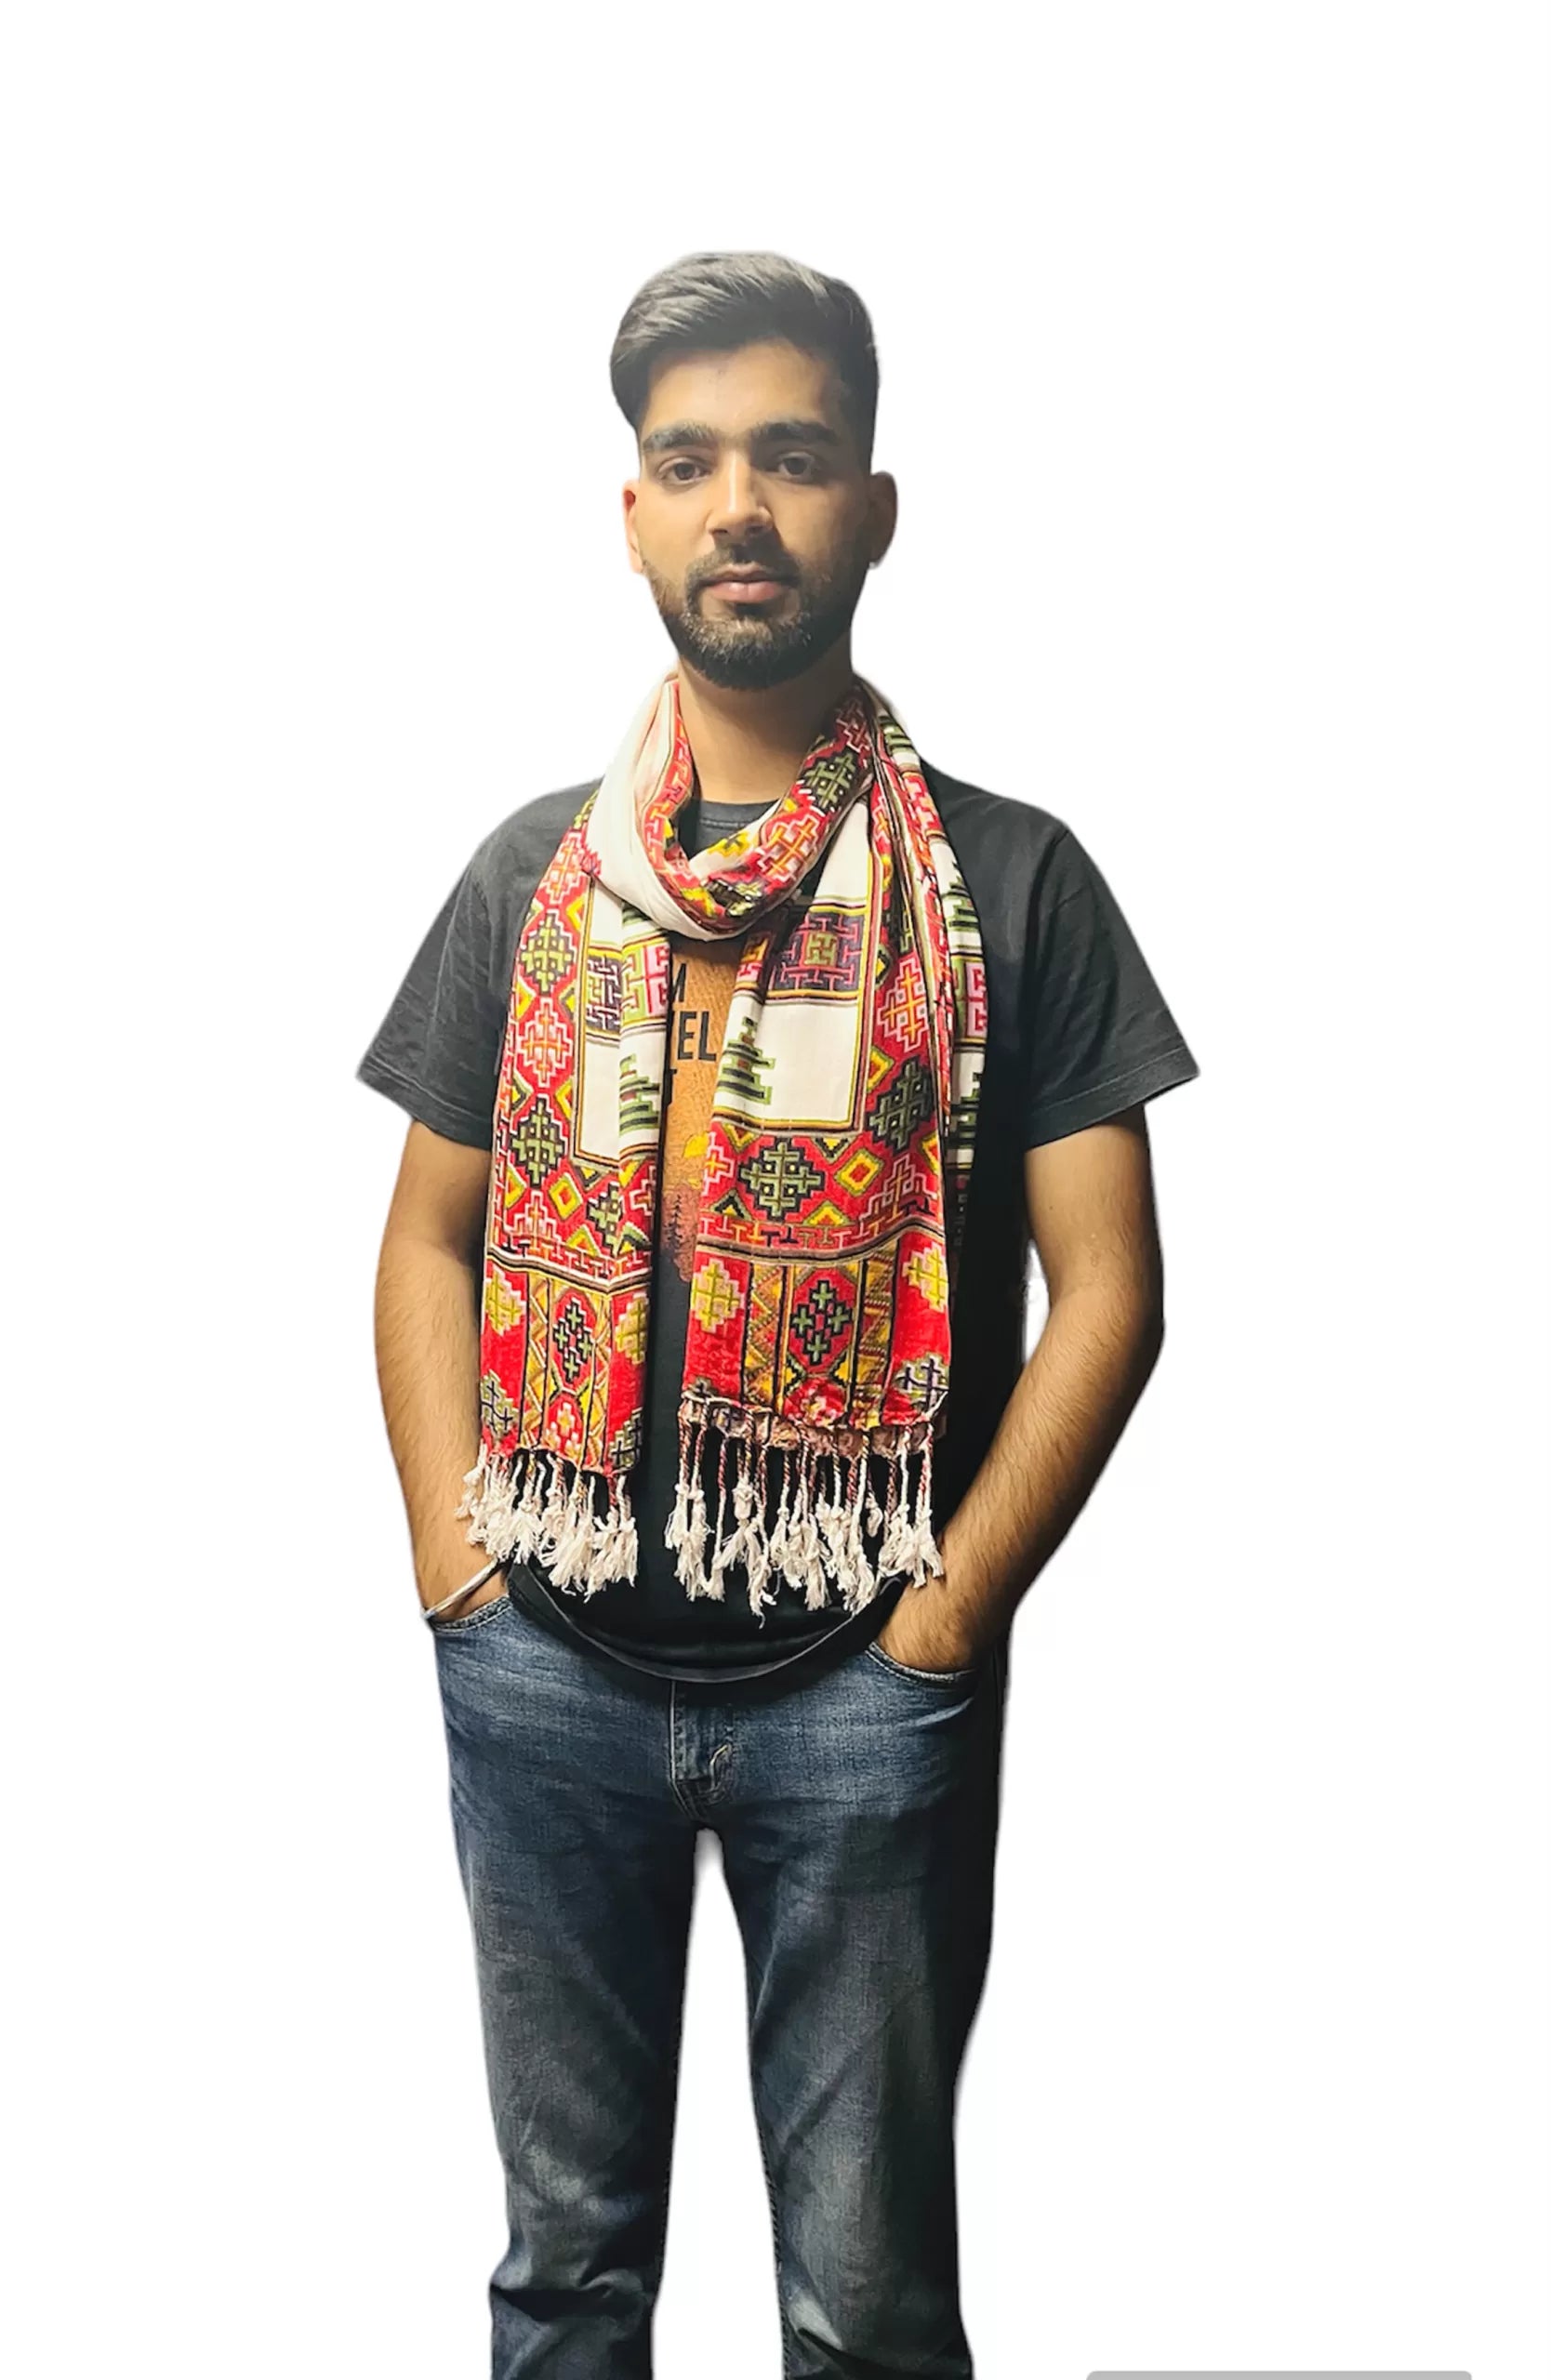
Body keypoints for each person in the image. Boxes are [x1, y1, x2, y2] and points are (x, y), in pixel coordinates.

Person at [356, 249, 1200, 2379]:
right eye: (691, 460)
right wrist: (457, 1563)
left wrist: (950, 1607)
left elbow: (1113, 1286)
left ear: (873, 508)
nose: (741, 504)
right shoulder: (531, 879)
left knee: (865, 2300)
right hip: (542, 1666)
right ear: (633, 512)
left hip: (866, 1686)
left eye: (794, 456)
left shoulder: (1012, 883)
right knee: (566, 2279)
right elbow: (429, 1234)